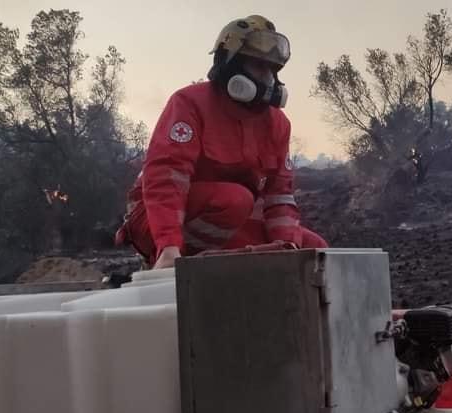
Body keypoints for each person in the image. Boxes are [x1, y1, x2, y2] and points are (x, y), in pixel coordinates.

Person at [115, 14, 327, 269]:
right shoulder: (190, 103)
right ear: (231, 64)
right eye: (259, 66)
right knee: (235, 200)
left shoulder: (278, 123)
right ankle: (181, 264)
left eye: (272, 69)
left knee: (316, 251)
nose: (268, 78)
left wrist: (287, 248)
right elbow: (166, 178)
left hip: (228, 218)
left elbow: (279, 195)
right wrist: (168, 245)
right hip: (155, 218)